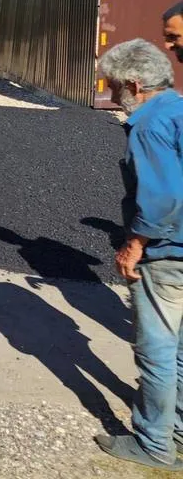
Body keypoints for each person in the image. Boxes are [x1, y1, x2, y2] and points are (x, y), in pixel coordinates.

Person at [93, 39, 183, 471]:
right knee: (180, 349)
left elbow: (162, 197)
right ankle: (178, 428)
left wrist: (135, 244)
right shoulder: (179, 109)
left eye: (113, 86)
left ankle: (154, 444)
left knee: (157, 348)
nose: (112, 95)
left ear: (134, 84)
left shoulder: (148, 124)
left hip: (167, 253)